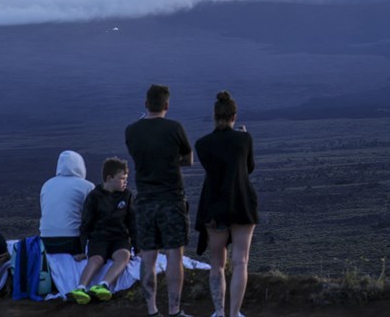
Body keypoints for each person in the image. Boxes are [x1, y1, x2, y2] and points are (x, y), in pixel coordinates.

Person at [126, 84, 194, 317]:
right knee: (175, 254)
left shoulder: (131, 130)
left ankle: (152, 310)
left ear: (146, 104)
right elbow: (188, 159)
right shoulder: (174, 128)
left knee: (148, 255)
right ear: (167, 105)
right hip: (172, 198)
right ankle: (174, 311)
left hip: (144, 200)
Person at [194, 91, 258, 317]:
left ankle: (219, 312)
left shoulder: (202, 144)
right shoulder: (244, 140)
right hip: (241, 203)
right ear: (234, 116)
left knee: (217, 264)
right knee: (241, 261)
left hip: (213, 206)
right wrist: (244, 138)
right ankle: (235, 312)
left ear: (214, 116)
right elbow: (247, 168)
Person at [68, 157, 138, 304]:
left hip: (119, 238)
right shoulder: (94, 196)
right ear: (109, 178)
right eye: (121, 178)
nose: (125, 181)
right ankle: (80, 288)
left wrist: (138, 247)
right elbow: (86, 224)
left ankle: (103, 285)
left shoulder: (127, 195)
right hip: (98, 237)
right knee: (96, 259)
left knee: (123, 256)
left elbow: (133, 222)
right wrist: (81, 248)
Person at [39, 150, 95, 256]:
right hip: (72, 240)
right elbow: (92, 217)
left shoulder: (47, 185)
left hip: (46, 241)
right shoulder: (87, 186)